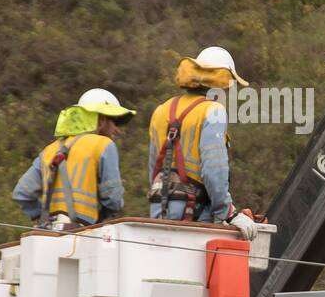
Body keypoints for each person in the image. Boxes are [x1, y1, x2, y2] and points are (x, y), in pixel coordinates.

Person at [148, 45, 257, 239]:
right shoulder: (212, 111)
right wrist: (228, 213)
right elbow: (214, 171)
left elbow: (153, 170)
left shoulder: (160, 111)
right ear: (223, 83)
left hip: (158, 210)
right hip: (194, 212)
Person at [13, 87, 135, 229]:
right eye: (115, 122)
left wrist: (40, 216)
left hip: (47, 234)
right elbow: (113, 199)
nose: (117, 130)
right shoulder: (104, 145)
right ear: (101, 121)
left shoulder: (49, 150)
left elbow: (21, 193)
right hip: (82, 232)